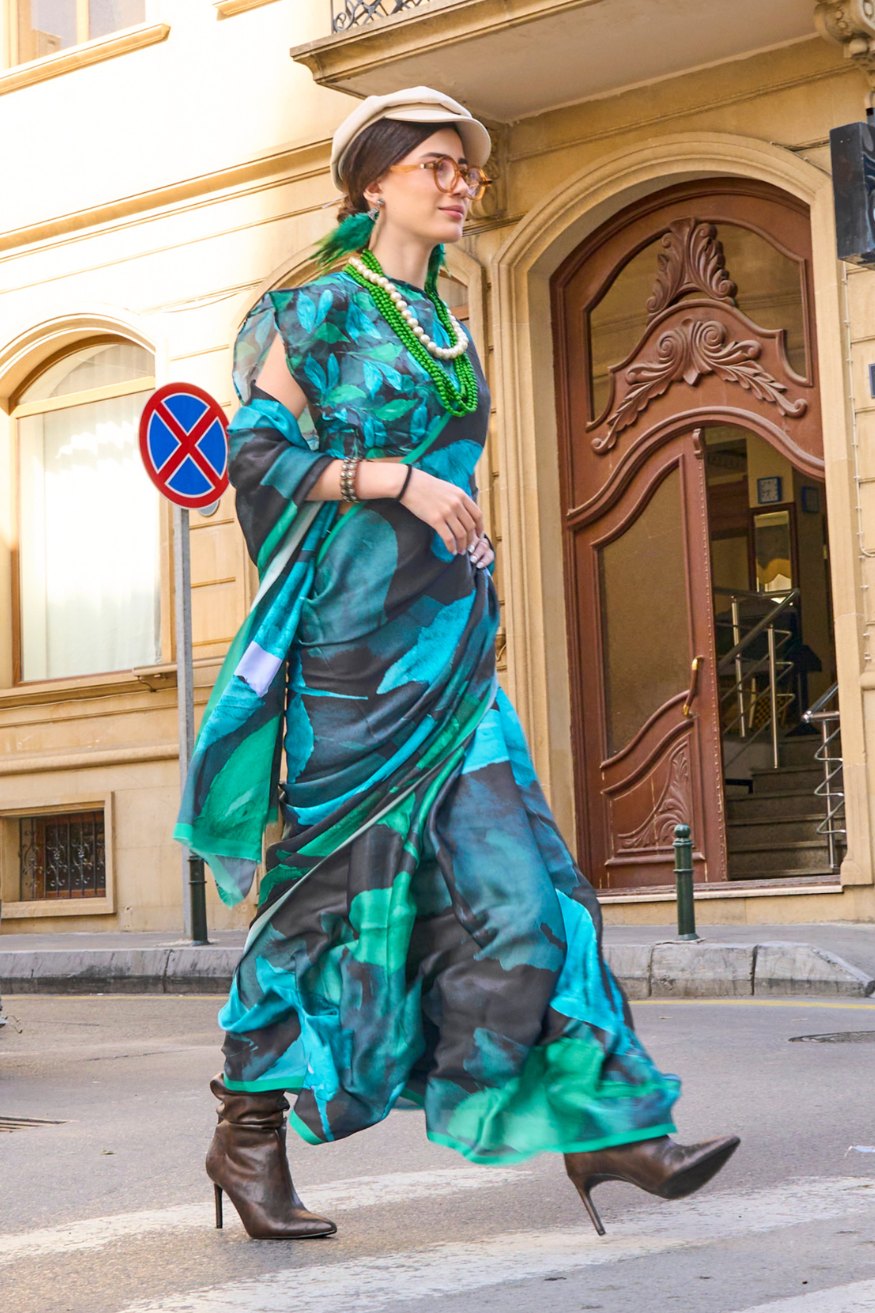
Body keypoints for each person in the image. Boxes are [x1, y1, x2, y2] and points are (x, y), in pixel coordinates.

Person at [175, 86, 739, 1242]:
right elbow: (255, 453)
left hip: (450, 659)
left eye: (466, 169)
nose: (457, 184)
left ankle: (606, 1124)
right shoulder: (313, 310)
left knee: (528, 892)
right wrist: (398, 480)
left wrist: (465, 538)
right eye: (434, 165)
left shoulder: (455, 320)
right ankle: (245, 1133)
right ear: (371, 182)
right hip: (351, 667)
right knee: (321, 907)